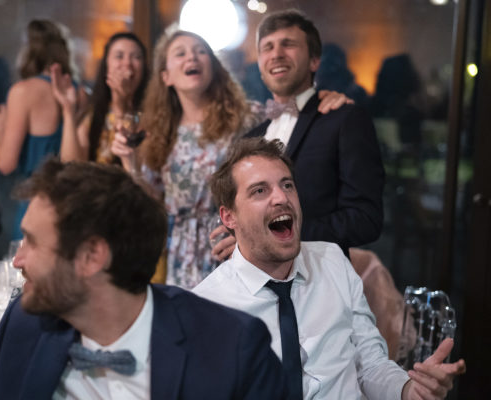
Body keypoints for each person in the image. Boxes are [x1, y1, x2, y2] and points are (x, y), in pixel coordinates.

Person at [0, 158, 288, 399]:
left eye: (30, 242)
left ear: (91, 257)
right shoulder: (30, 327)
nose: (17, 261)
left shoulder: (232, 351)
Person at [194, 137, 466, 399]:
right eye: (259, 190)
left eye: (287, 185)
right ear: (229, 217)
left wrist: (409, 391)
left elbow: (370, 364)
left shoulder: (332, 260)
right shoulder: (206, 307)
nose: (281, 198)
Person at [113, 29, 349, 289]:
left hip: (235, 244)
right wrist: (130, 162)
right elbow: (153, 198)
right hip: (181, 254)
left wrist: (325, 100)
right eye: (180, 53)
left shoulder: (245, 117)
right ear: (165, 76)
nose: (192, 57)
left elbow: (295, 116)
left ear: (213, 67)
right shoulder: (157, 131)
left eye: (200, 51)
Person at [244, 9, 385, 258]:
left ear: (314, 61)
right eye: (267, 47)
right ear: (260, 65)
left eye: (288, 44)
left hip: (320, 284)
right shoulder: (250, 137)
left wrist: (280, 233)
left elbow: (365, 219)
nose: (276, 54)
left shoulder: (345, 119)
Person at [0, 19, 80, 241]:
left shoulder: (23, 92)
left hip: (34, 203)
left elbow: (6, 164)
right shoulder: (79, 93)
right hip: (72, 205)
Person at [52, 32, 148, 164]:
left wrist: (122, 100)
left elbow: (136, 159)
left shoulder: (151, 113)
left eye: (136, 57)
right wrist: (68, 110)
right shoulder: (93, 111)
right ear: (106, 64)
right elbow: (72, 164)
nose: (127, 64)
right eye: (119, 56)